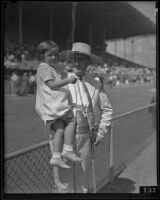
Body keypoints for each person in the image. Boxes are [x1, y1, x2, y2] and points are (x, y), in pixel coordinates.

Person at [50, 42, 113, 193]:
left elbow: (107, 110)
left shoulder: (95, 84)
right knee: (64, 186)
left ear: (88, 62)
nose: (77, 62)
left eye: (82, 59)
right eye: (74, 58)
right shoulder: (60, 80)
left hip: (85, 139)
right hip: (62, 138)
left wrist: (100, 133)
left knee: (83, 185)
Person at [35, 40, 82, 169]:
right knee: (72, 120)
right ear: (42, 56)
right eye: (50, 55)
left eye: (55, 54)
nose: (54, 57)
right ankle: (68, 149)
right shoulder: (44, 67)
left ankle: (56, 156)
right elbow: (51, 85)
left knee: (60, 128)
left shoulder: (49, 68)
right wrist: (67, 80)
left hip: (52, 106)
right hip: (53, 106)